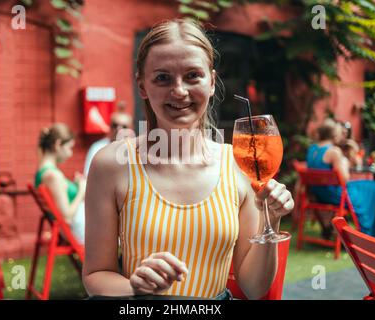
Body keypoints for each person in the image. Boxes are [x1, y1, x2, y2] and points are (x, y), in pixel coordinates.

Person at [82, 19, 294, 300]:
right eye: (162, 78)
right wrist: (134, 287)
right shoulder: (112, 164)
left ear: (212, 82)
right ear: (142, 86)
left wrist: (273, 219)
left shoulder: (238, 164)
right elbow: (96, 275)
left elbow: (254, 288)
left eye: (193, 75)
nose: (179, 90)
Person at [306, 119, 375, 240]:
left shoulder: (313, 149)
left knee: (371, 187)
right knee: (374, 187)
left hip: (319, 194)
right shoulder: (334, 151)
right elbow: (344, 178)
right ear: (334, 134)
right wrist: (345, 161)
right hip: (337, 195)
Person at [35, 123, 86, 244]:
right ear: (58, 145)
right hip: (81, 231)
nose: (71, 153)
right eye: (69, 147)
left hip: (82, 226)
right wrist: (81, 190)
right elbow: (67, 217)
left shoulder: (44, 172)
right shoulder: (52, 176)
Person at [83, 101, 134, 176]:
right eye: (115, 125)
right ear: (110, 127)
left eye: (124, 126)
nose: (118, 129)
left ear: (131, 128)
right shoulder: (98, 147)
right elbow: (87, 175)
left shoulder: (136, 149)